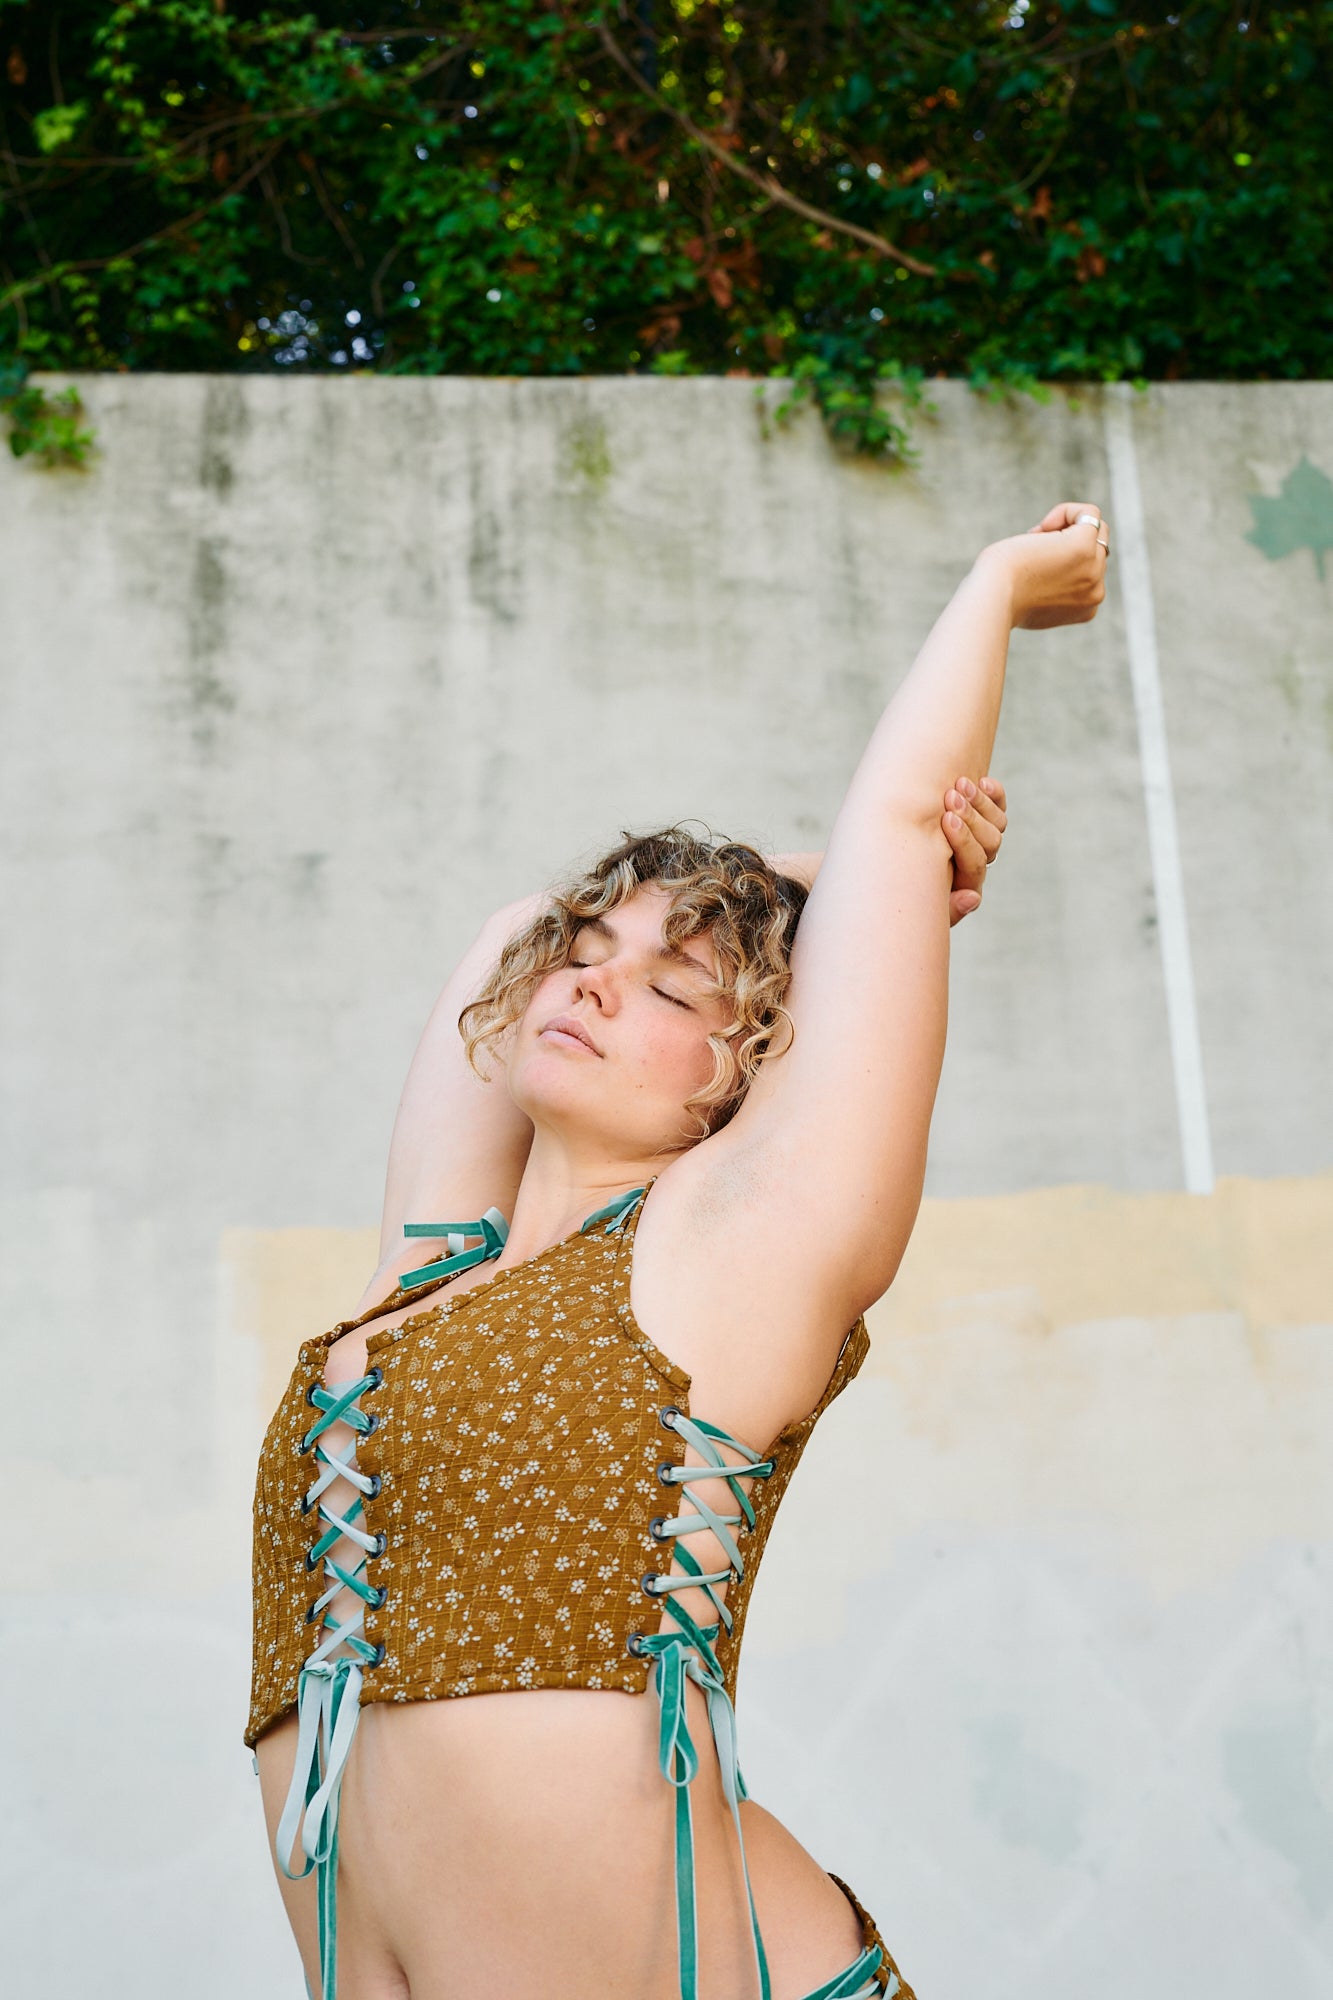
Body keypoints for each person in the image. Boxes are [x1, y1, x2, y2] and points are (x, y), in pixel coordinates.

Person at [247, 500, 1109, 2000]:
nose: (588, 983)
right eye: (585, 963)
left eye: (669, 987)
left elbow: (903, 824)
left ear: (748, 1059)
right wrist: (759, 893)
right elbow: (519, 927)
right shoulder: (435, 1274)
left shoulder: (736, 1250)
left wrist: (999, 589)